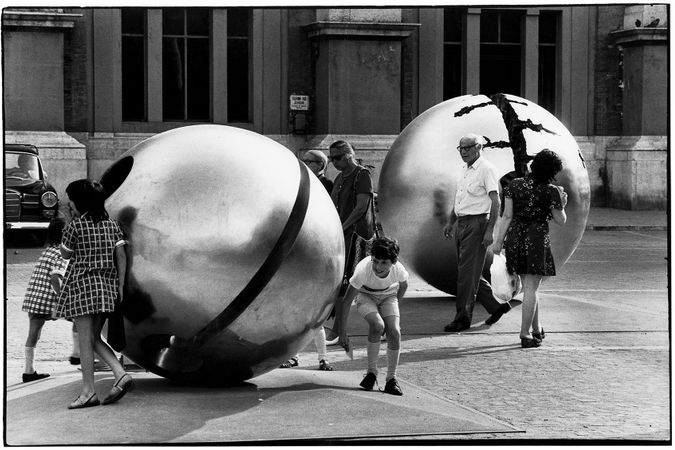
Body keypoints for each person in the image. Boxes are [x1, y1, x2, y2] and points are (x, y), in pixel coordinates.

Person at [53, 179, 132, 409]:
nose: (70, 206)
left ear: (81, 203)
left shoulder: (74, 227)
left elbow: (65, 255)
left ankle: (88, 392)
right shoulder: (113, 225)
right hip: (106, 289)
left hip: (81, 289)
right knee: (94, 338)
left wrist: (69, 225)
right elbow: (121, 255)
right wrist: (120, 285)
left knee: (86, 343)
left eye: (72, 203)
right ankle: (120, 373)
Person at [492, 149, 568, 348]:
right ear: (551, 171)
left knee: (530, 288)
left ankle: (536, 329)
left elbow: (507, 216)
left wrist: (498, 242)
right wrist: (562, 203)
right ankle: (525, 334)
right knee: (532, 289)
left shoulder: (514, 185)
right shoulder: (551, 190)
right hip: (536, 240)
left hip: (515, 238)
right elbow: (561, 220)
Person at [442, 133, 512, 332]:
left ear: (478, 147)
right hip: (462, 223)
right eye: (460, 148)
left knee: (466, 275)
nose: (463, 152)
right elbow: (460, 199)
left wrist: (490, 230)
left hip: (477, 224)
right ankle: (496, 306)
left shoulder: (486, 169)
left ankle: (462, 318)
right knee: (468, 272)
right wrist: (450, 222)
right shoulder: (465, 170)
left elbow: (496, 202)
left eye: (467, 148)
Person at [278, 150, 334, 371]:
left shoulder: (326, 185)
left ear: (320, 165)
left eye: (309, 161)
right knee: (296, 312)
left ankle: (322, 358)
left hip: (317, 249)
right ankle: (295, 355)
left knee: (314, 314)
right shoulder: (296, 183)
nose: (304, 164)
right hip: (298, 249)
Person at [336, 237, 409, 396]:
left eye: (384, 263)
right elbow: (346, 301)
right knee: (377, 326)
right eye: (375, 261)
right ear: (371, 258)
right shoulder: (364, 270)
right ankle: (371, 373)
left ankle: (391, 379)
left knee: (394, 331)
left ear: (393, 262)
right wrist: (342, 333)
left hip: (389, 296)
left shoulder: (398, 269)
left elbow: (404, 285)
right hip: (365, 295)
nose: (378, 266)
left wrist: (396, 305)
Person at [21, 217, 69, 382]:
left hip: (34, 299)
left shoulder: (47, 250)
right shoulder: (61, 253)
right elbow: (56, 277)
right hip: (49, 301)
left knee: (33, 334)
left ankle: (28, 371)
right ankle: (80, 355)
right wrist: (64, 298)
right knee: (81, 321)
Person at [329, 140, 375, 294]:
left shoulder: (362, 174)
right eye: (331, 158)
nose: (334, 161)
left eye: (337, 157)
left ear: (349, 156)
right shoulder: (339, 178)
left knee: (356, 278)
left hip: (355, 234)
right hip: (341, 232)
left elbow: (361, 207)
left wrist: (343, 226)